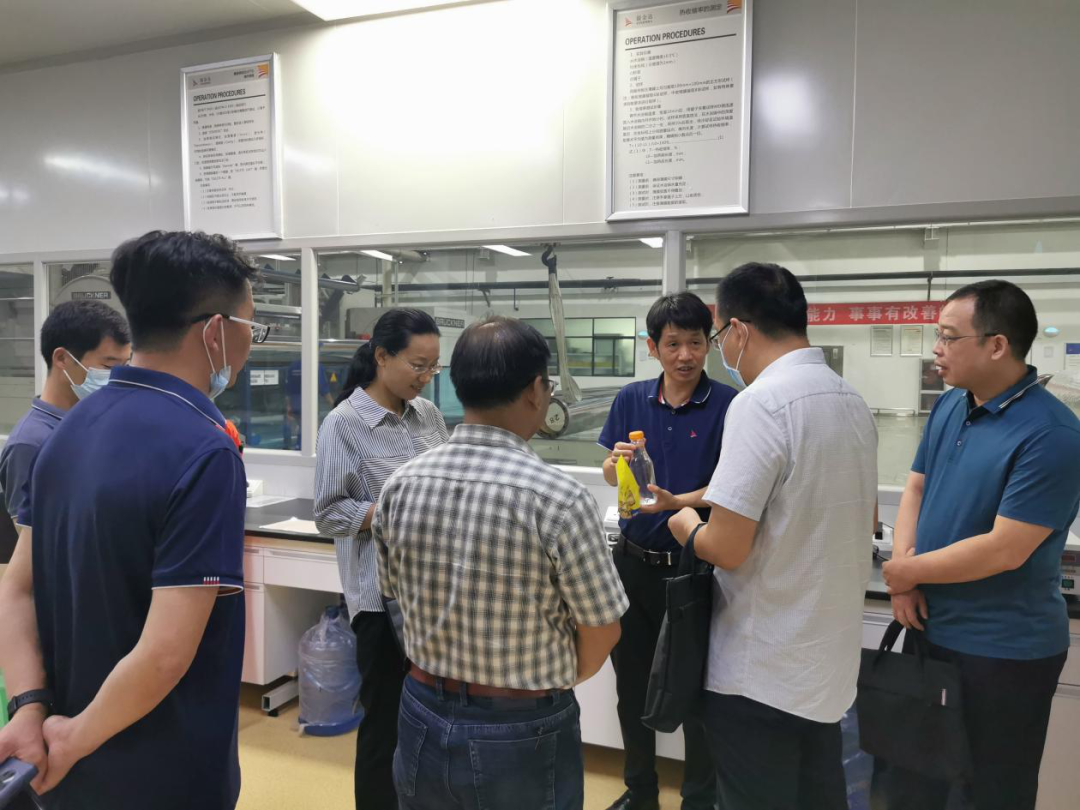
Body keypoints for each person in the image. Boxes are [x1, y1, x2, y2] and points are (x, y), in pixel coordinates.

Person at [0, 230, 261, 809]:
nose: (251, 341)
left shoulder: (67, 429)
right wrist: (73, 739)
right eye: (250, 326)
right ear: (215, 332)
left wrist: (30, 709)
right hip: (162, 770)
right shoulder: (205, 451)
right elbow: (165, 651)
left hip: (67, 765)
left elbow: (15, 589)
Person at [373, 316, 628, 810]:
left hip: (420, 709)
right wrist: (547, 682)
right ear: (535, 390)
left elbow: (394, 597)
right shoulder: (559, 498)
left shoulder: (400, 485)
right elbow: (603, 629)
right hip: (522, 728)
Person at [668, 262, 878, 810]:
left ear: (738, 330)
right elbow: (866, 518)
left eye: (717, 338)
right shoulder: (851, 401)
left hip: (759, 674)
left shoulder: (760, 404)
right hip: (826, 668)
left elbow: (727, 548)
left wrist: (686, 526)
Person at [881, 281, 1080, 810]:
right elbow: (916, 487)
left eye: (949, 337)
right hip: (930, 630)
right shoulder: (951, 405)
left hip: (1004, 650)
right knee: (915, 785)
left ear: (997, 345)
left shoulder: (1052, 434)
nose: (936, 349)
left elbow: (1005, 549)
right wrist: (904, 573)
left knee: (989, 792)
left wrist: (910, 572)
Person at [597, 292, 735, 810]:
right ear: (652, 347)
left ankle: (699, 799)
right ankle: (641, 793)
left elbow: (734, 486)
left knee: (698, 688)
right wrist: (616, 464)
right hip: (632, 563)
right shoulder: (631, 398)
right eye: (672, 344)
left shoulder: (730, 404)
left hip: (696, 568)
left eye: (695, 343)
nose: (685, 355)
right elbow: (610, 472)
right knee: (631, 687)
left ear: (709, 344)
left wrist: (681, 502)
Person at [313, 308, 449, 810]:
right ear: (382, 356)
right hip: (379, 602)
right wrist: (393, 511)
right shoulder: (344, 424)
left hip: (431, 595)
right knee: (385, 725)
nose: (426, 376)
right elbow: (328, 514)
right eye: (417, 365)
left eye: (433, 366)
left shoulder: (428, 415)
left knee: (430, 720)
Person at [0, 300, 131, 522]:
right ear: (62, 358)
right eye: (109, 366)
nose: (119, 376)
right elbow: (33, 538)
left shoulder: (100, 422)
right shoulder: (30, 443)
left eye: (125, 365)